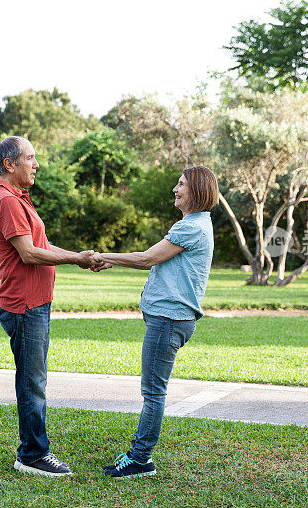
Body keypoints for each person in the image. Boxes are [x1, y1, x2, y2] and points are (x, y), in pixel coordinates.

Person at [91, 165, 219, 479]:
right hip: (171, 319)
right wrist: (112, 260)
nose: (175, 189)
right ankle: (139, 456)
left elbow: (148, 257)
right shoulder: (196, 224)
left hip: (168, 320)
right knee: (153, 390)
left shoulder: (190, 227)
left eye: (181, 184)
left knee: (153, 392)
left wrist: (104, 255)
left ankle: (140, 459)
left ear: (197, 190)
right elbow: (155, 260)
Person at [0, 136, 98, 477]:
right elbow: (29, 253)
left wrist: (82, 258)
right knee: (32, 381)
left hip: (35, 303)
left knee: (34, 377)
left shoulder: (19, 199)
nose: (36, 164)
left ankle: (31, 450)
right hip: (24, 305)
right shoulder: (6, 200)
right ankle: (32, 454)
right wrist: (76, 259)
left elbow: (43, 244)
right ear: (10, 164)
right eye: (30, 158)